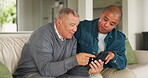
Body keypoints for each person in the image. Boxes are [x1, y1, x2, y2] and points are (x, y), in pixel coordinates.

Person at [13, 8, 97, 78]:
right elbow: (45, 70)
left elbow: (71, 69)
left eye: (77, 26)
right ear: (59, 22)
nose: (75, 29)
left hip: (56, 74)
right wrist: (75, 60)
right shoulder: (42, 35)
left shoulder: (72, 40)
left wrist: (89, 71)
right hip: (30, 74)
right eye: (72, 25)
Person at [67, 5, 137, 78]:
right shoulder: (82, 27)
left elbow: (122, 64)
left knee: (128, 75)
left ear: (116, 24)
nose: (106, 25)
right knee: (96, 76)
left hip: (106, 68)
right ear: (101, 14)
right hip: (85, 68)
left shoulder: (119, 37)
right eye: (105, 19)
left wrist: (113, 56)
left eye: (112, 24)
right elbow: (68, 49)